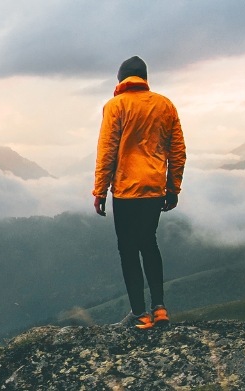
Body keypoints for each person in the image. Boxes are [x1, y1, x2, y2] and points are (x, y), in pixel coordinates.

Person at [92, 56, 186, 330]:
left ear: (121, 80)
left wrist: (100, 190)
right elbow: (178, 151)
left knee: (128, 249)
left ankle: (139, 314)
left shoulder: (115, 106)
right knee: (149, 243)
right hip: (154, 188)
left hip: (125, 191)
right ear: (144, 78)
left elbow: (107, 151)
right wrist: (173, 188)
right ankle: (160, 309)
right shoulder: (165, 104)